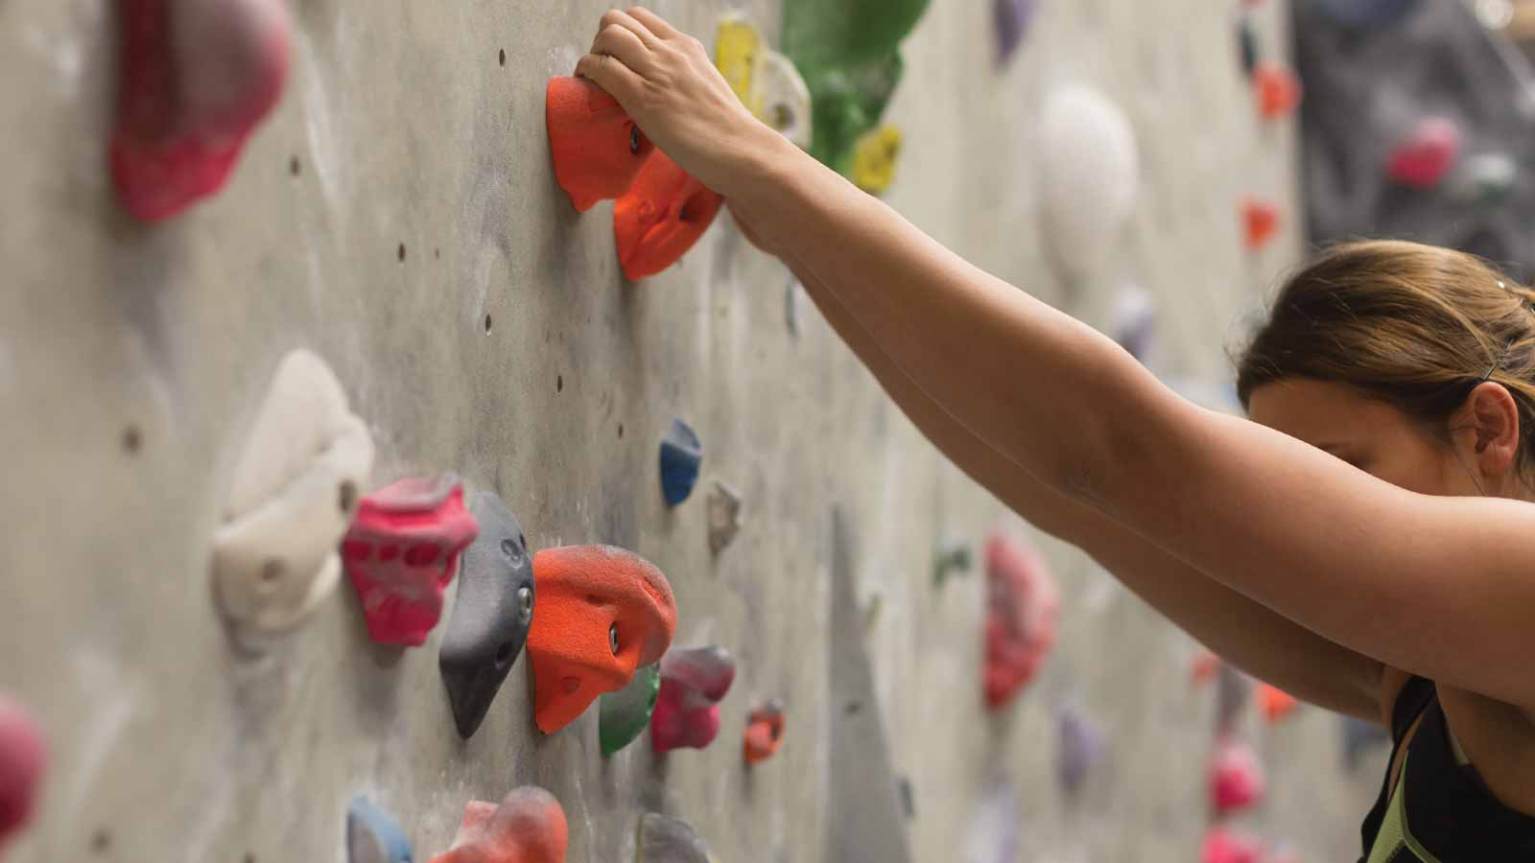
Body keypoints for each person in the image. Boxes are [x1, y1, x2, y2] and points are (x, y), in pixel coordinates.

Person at [574, 9, 1535, 859]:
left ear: (1487, 429)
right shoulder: (1413, 675)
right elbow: (1066, 492)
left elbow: (1117, 452)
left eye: (1343, 472)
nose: (1311, 510)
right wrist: (791, 229)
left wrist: (765, 164)